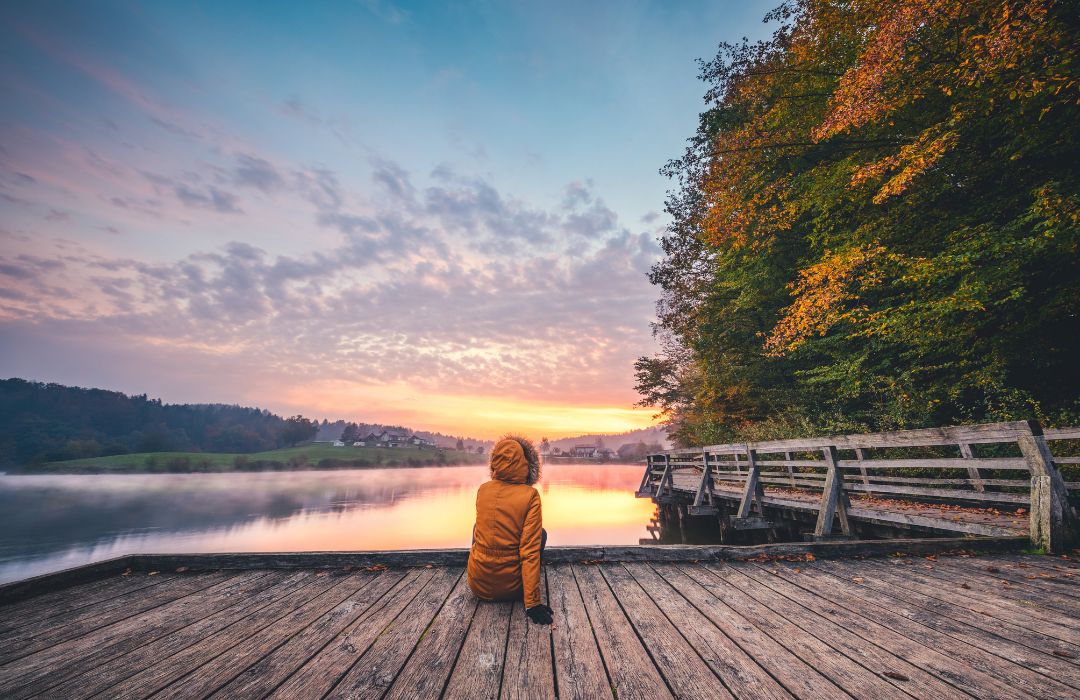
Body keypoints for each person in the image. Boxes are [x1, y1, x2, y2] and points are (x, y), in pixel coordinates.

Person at [466, 435, 554, 624]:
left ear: (494, 462)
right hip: (512, 589)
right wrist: (532, 604)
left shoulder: (483, 490)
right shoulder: (530, 495)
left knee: (477, 528)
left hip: (477, 586)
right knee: (540, 534)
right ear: (526, 463)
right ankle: (529, 587)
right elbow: (529, 551)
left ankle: (482, 571)